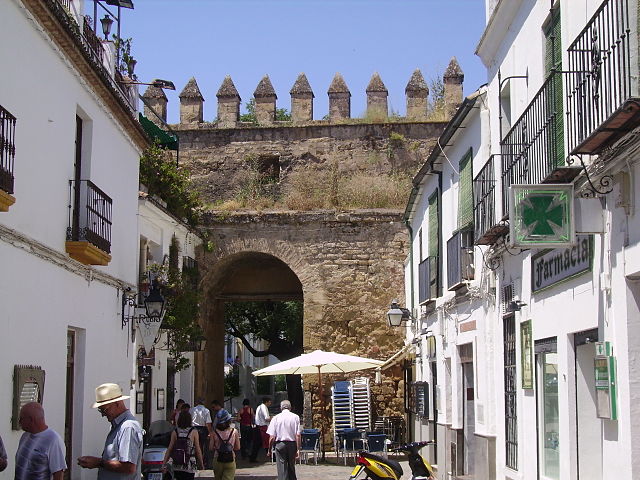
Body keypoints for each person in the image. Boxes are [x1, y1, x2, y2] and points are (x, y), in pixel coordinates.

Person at [77, 382, 143, 479]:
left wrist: (98, 462)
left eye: (105, 410)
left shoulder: (128, 427)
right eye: (100, 410)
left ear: (117, 404)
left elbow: (129, 467)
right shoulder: (119, 426)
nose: (103, 414)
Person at [14, 402, 66, 480]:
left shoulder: (53, 440)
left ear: (31, 420)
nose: (19, 422)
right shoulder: (25, 436)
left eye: (21, 419)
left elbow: (58, 473)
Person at [162, 410, 204, 479]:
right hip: (190, 464)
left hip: (177, 464)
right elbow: (198, 449)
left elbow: (170, 449)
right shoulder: (193, 431)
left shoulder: (175, 432)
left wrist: (164, 464)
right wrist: (201, 464)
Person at [266, 400, 301, 480]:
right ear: (290, 408)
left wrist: (269, 449)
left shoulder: (276, 418)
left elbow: (272, 437)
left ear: (280, 408)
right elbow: (298, 435)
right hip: (292, 444)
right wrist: (298, 448)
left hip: (280, 444)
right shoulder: (295, 417)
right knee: (291, 466)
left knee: (282, 468)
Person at [210, 410, 239, 480]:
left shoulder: (214, 432)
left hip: (217, 459)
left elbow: (210, 448)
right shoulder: (234, 431)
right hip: (230, 458)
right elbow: (237, 447)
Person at [190, 398, 212, 468]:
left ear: (197, 402)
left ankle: (196, 462)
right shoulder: (206, 410)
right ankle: (204, 463)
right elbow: (208, 423)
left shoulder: (192, 410)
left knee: (194, 446)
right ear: (203, 403)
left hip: (194, 428)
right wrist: (210, 432)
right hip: (203, 429)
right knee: (204, 446)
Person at [249, 397, 272, 462]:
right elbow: (267, 418)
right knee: (267, 442)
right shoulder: (264, 407)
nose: (270, 403)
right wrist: (273, 419)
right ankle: (271, 455)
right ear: (267, 402)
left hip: (258, 426)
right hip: (262, 427)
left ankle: (253, 457)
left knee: (257, 444)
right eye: (270, 402)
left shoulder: (259, 407)